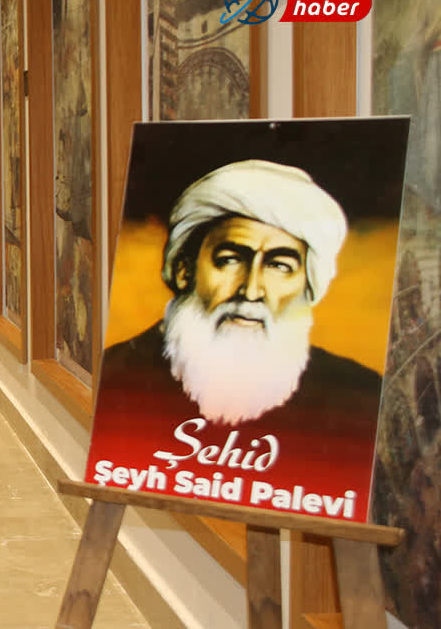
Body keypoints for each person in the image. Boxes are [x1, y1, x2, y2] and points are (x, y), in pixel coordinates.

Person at [88, 159, 382, 512]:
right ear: (184, 270)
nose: (252, 290)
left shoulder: (358, 399)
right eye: (230, 259)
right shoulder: (118, 379)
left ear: (307, 287)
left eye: (279, 266)